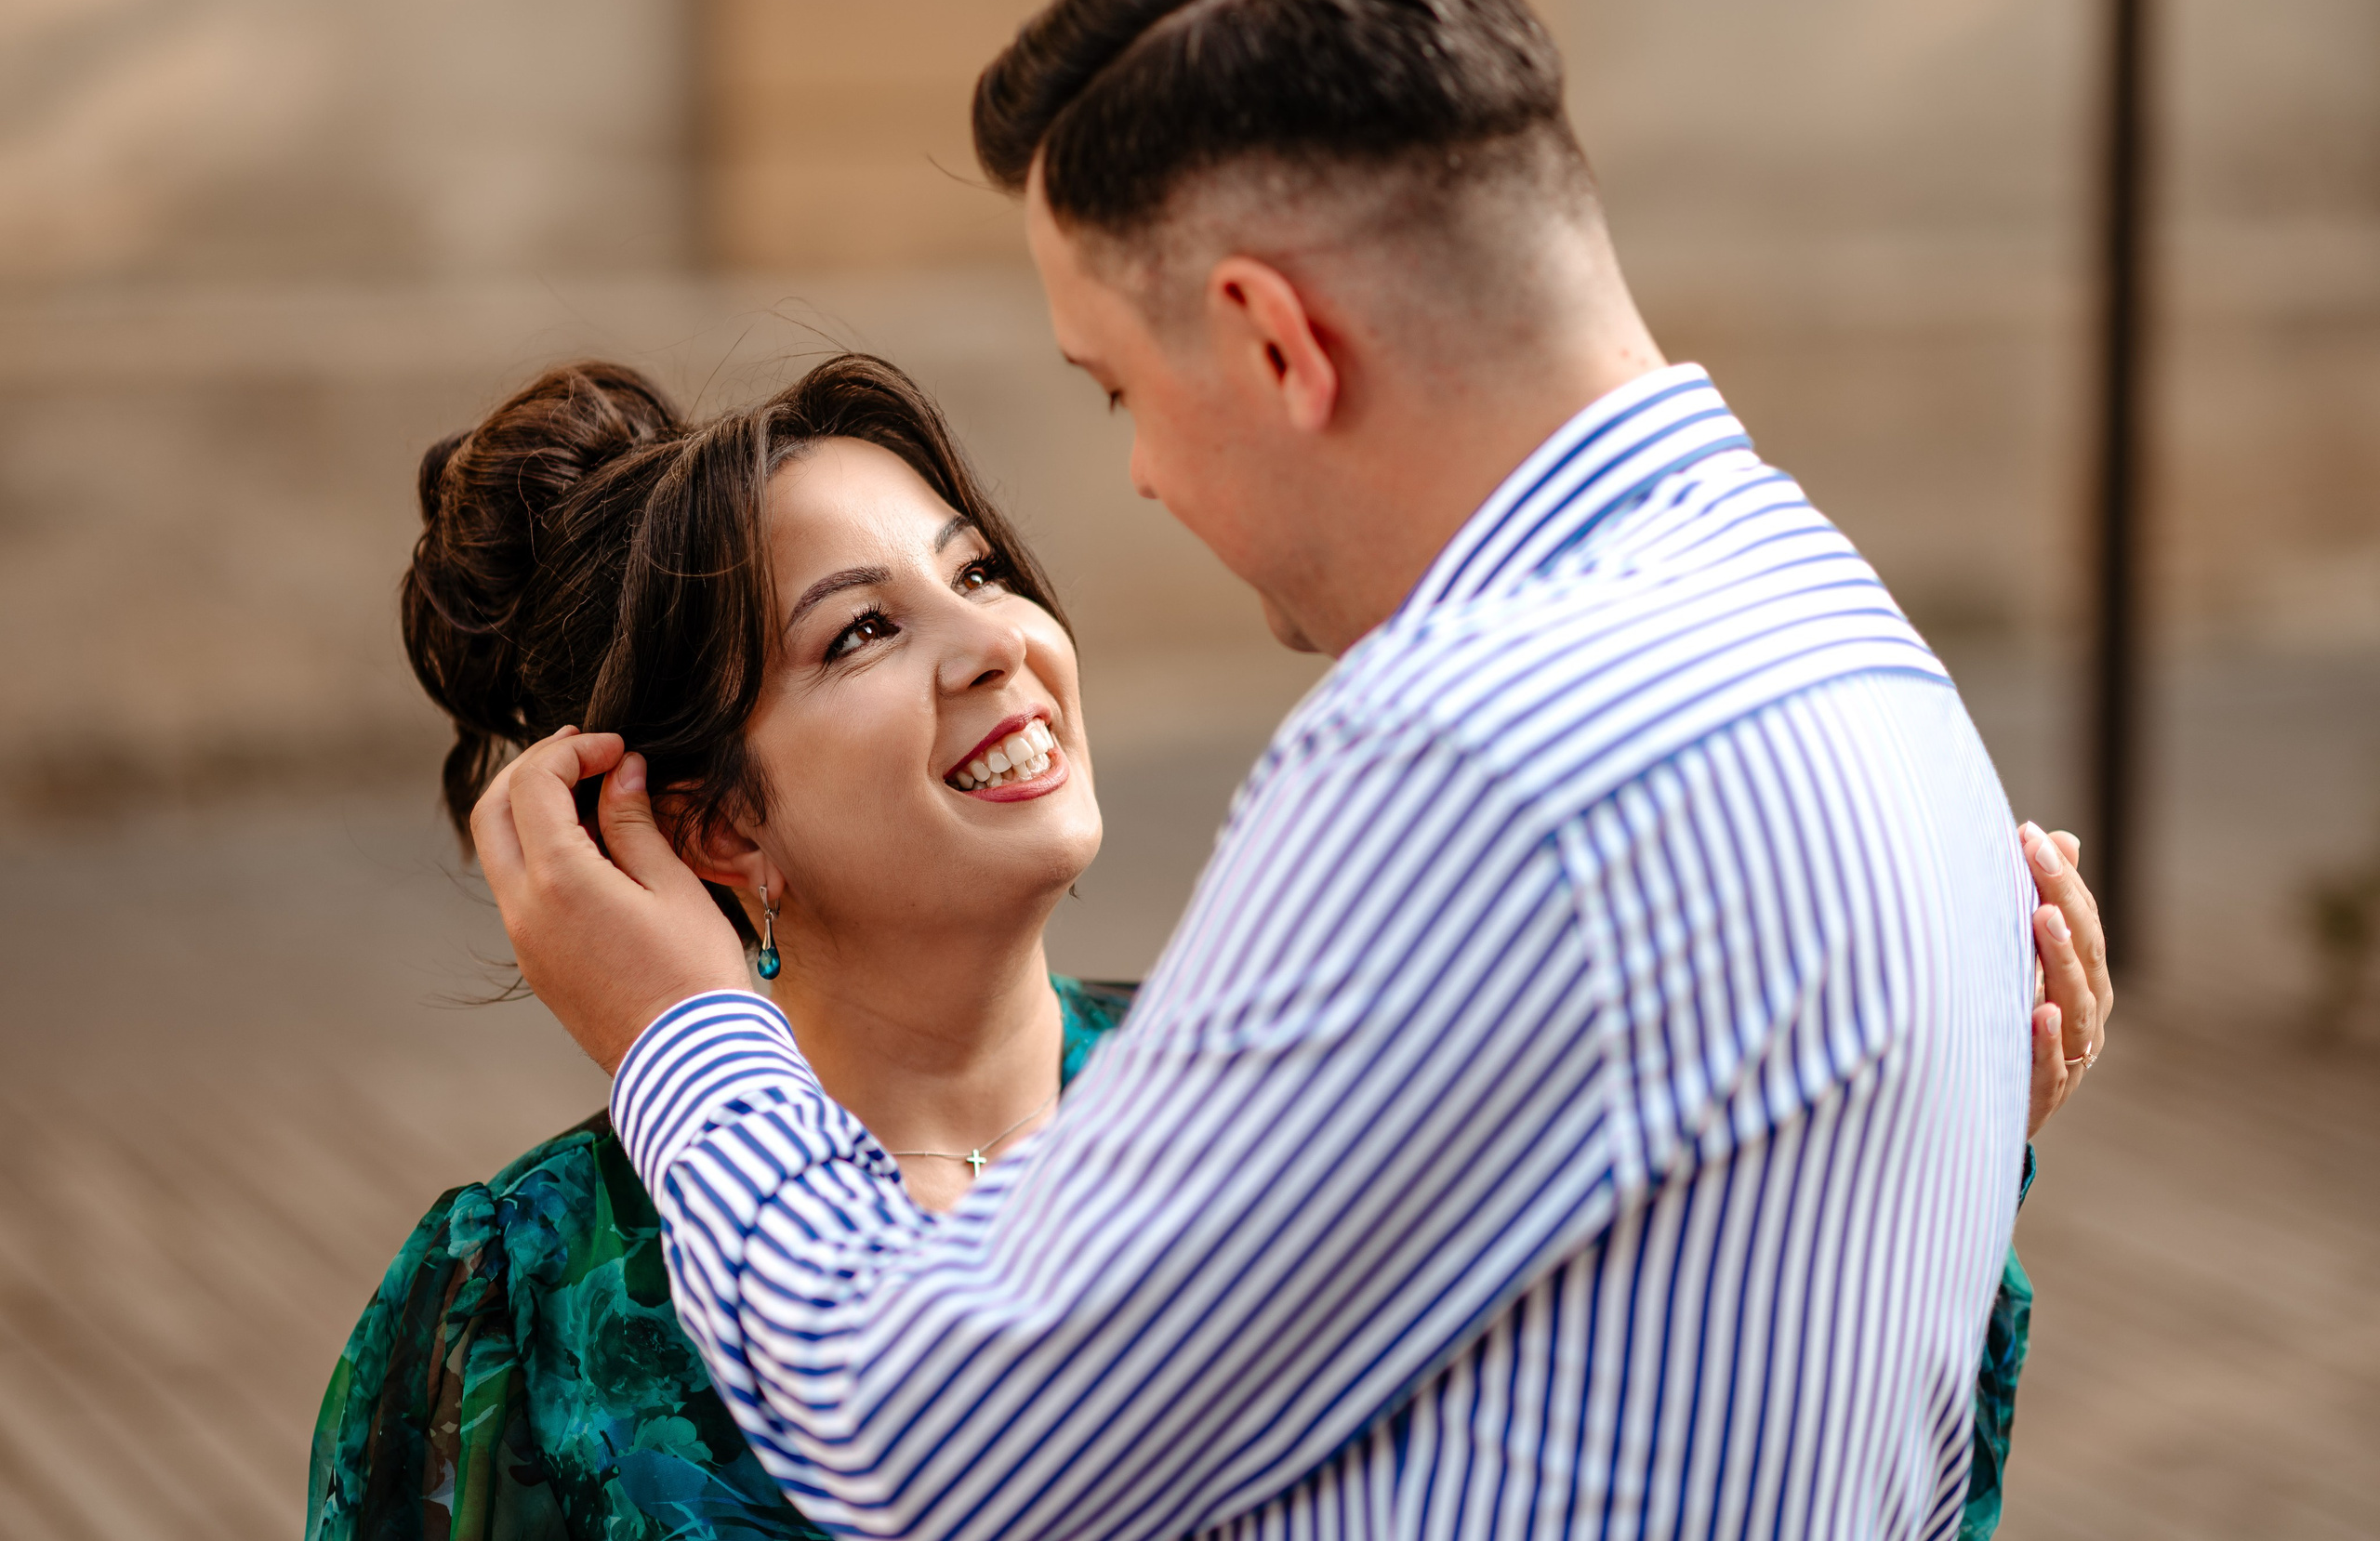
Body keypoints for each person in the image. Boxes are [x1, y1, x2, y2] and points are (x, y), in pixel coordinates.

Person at [456, 0, 2118, 1537]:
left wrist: (678, 1030)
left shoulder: (1469, 755)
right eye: (863, 627)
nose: (1145, 482)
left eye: (1121, 392)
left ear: (1273, 341)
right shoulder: (1844, 641)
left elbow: (933, 1448)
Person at [307, 353, 2096, 1541]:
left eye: (978, 569)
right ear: (716, 828)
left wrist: (1932, 1172)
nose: (995, 641)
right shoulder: (519, 1294)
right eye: (860, 634)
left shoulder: (1287, 1094)